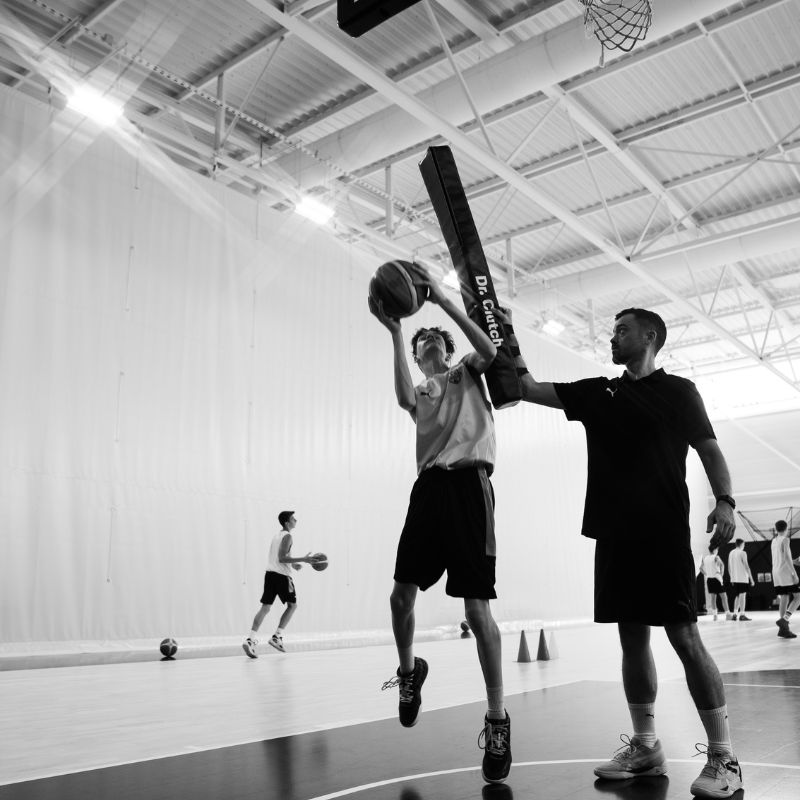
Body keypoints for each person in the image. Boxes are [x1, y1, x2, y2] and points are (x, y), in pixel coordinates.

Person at [499, 305, 742, 799]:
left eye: (622, 330)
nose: (613, 337)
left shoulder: (680, 392)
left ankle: (724, 757)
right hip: (614, 536)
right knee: (632, 640)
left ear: (650, 336)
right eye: (613, 331)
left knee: (685, 638)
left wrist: (726, 501)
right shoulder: (598, 391)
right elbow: (525, 387)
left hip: (663, 535)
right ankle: (646, 746)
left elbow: (710, 449)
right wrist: (505, 336)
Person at [370, 264, 511, 785]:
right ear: (417, 352)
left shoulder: (467, 371)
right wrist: (395, 329)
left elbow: (492, 352)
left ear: (446, 350)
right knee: (399, 598)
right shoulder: (424, 391)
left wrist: (443, 304)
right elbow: (405, 399)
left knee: (477, 610)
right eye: (420, 341)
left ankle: (497, 719)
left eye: (434, 339)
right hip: (429, 490)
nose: (427, 342)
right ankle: (409, 675)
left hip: (471, 488)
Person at [242, 511, 322, 657]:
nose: (295, 520)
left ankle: (250, 639)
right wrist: (304, 559)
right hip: (281, 577)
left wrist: (294, 564)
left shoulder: (276, 536)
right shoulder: (288, 536)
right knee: (292, 605)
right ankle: (277, 636)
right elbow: (282, 558)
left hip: (270, 575)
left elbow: (281, 557)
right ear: (287, 522)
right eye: (293, 518)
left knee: (265, 608)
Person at [770, 519, 800, 639]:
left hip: (776, 572)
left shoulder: (774, 541)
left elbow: (782, 558)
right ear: (786, 529)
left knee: (784, 597)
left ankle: (783, 630)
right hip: (785, 573)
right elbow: (787, 557)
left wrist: (794, 562)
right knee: (798, 597)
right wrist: (794, 573)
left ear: (776, 529)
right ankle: (784, 620)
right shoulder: (786, 539)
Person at [700, 545, 732, 621]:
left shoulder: (706, 558)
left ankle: (715, 616)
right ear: (714, 550)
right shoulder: (716, 557)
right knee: (724, 597)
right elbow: (722, 565)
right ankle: (728, 615)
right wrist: (722, 574)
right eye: (717, 549)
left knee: (713, 598)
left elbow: (700, 568)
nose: (717, 551)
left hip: (709, 579)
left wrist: (706, 574)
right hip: (717, 579)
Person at [727, 539, 754, 621]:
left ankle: (735, 614)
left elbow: (729, 566)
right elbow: (746, 566)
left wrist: (731, 577)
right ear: (742, 544)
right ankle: (742, 614)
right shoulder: (743, 553)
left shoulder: (731, 552)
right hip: (742, 578)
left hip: (734, 578)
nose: (744, 546)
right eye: (744, 544)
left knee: (738, 596)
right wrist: (751, 579)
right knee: (742, 596)